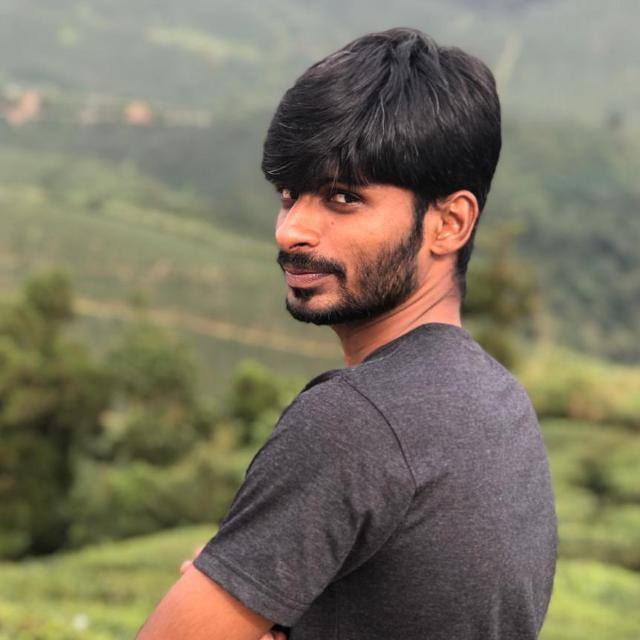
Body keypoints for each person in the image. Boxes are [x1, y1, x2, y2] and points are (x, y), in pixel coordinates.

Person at [136, 26, 557, 640]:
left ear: (449, 223)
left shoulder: (353, 421)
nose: (291, 230)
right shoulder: (499, 402)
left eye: (342, 198)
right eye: (289, 194)